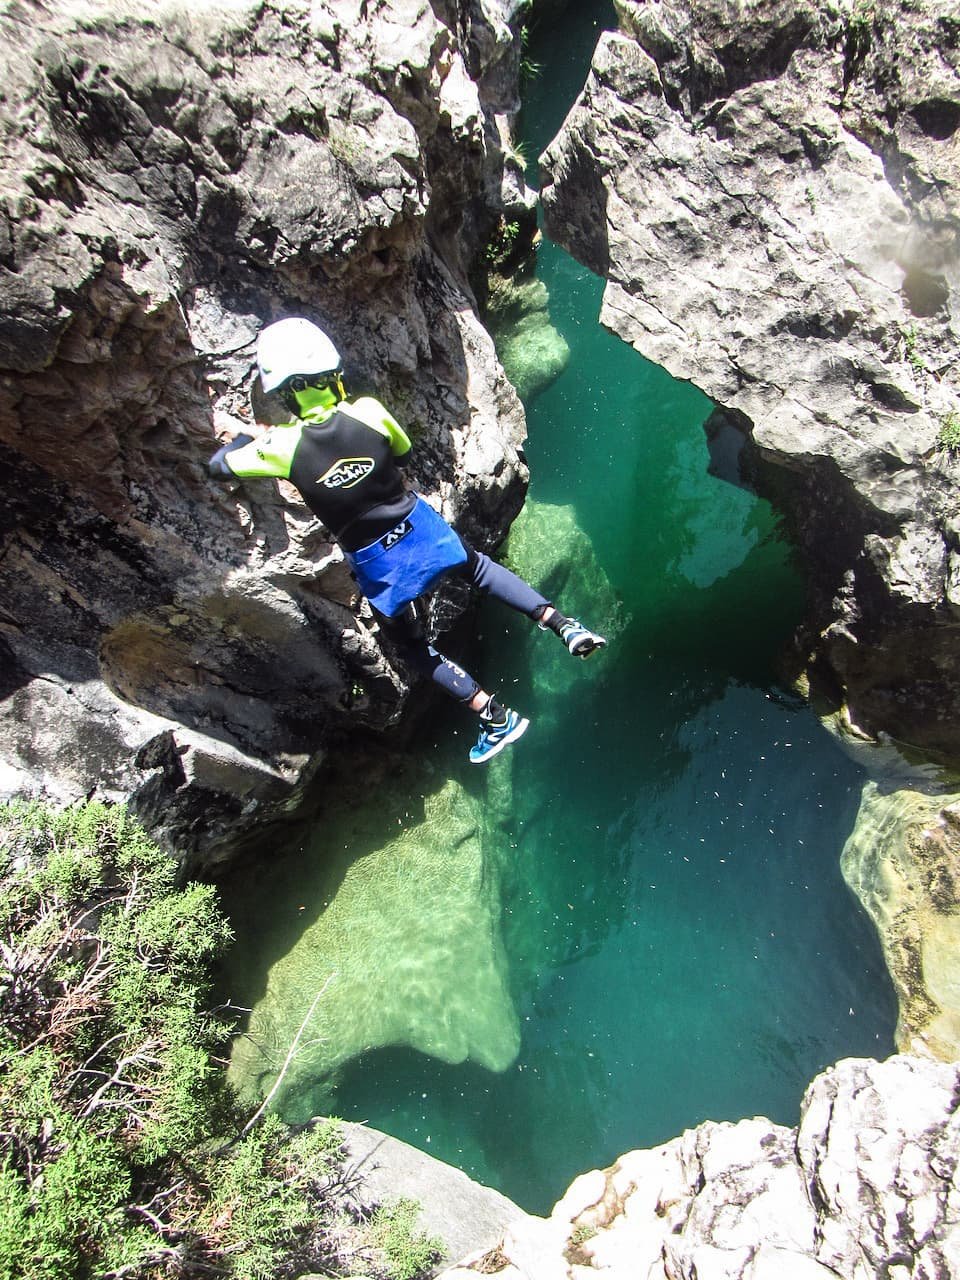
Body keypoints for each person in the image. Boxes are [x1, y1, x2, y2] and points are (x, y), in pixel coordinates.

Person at [208, 317, 606, 764]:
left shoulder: (281, 448)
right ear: (332, 376)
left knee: (412, 646)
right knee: (477, 569)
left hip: (379, 562)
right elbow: (404, 454)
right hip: (420, 526)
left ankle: (494, 716)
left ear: (287, 392)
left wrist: (248, 434)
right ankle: (564, 625)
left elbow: (219, 464)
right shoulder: (369, 412)